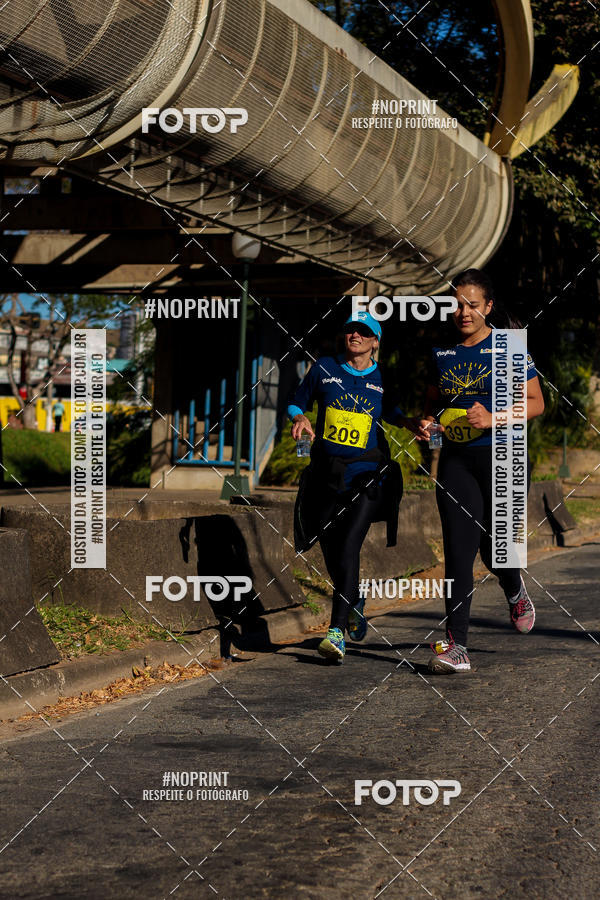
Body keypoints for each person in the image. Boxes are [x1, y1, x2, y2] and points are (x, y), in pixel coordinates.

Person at [405, 269, 544, 673]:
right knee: (458, 552)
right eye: (456, 305)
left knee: (495, 549)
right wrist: (427, 423)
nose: (463, 312)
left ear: (488, 306)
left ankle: (513, 585)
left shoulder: (509, 346)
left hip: (504, 457)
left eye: (472, 304)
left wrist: (494, 417)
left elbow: (536, 402)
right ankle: (457, 646)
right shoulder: (442, 352)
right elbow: (433, 403)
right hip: (456, 461)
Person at [290, 311, 403, 664]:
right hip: (326, 473)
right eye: (351, 330)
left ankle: (335, 632)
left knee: (350, 545)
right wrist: (299, 416)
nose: (355, 335)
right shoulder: (325, 368)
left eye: (364, 332)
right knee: (330, 549)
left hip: (366, 475)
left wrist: (415, 423)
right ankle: (353, 601)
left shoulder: (383, 377)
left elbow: (394, 413)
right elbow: (296, 400)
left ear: (375, 342)